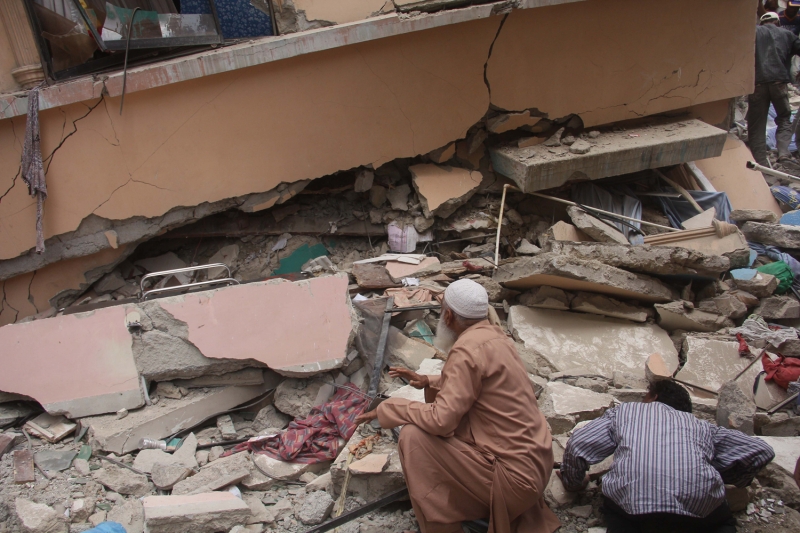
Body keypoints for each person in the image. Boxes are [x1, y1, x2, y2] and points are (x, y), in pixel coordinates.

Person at [354, 279, 560, 533]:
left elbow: (441, 421)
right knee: (430, 430)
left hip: (513, 482)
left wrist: (391, 408)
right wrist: (429, 380)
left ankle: (442, 521)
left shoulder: (465, 350)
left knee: (413, 437)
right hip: (537, 470)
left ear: (448, 315)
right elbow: (480, 384)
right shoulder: (496, 336)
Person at [560, 380, 775, 533]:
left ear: (653, 397)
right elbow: (761, 451)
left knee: (618, 512)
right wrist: (727, 478)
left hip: (635, 508)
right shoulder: (702, 426)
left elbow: (579, 443)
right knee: (722, 522)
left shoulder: (626, 411)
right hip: (699, 508)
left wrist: (573, 483)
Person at [748, 12, 800, 170]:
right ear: (778, 22)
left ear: (762, 23)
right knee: (784, 118)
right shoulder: (787, 34)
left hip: (757, 84)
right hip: (779, 82)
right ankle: (783, 153)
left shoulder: (753, 33)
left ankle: (760, 163)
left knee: (757, 124)